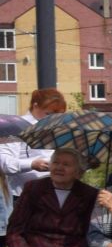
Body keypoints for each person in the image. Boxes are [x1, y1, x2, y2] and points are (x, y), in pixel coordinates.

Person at [0, 88, 64, 225]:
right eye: (48, 113)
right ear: (35, 106)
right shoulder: (15, 127)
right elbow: (4, 163)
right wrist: (32, 164)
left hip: (51, 194)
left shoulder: (57, 127)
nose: (52, 118)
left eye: (57, 115)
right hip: (22, 196)